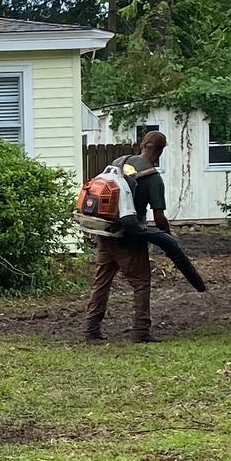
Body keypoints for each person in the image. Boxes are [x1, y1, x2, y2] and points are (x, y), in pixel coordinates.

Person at [86, 125, 177, 343]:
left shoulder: (119, 163)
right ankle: (141, 331)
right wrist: (167, 238)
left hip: (106, 232)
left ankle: (91, 330)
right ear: (160, 151)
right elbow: (159, 216)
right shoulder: (152, 177)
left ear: (142, 145)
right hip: (131, 236)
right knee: (141, 282)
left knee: (102, 281)